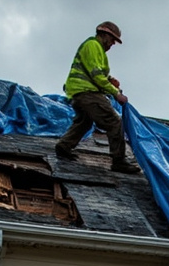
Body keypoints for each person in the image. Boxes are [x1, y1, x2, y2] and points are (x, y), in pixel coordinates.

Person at [53, 21, 140, 173]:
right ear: (104, 34)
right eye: (112, 40)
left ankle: (64, 146)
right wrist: (116, 93)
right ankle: (119, 161)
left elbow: (97, 72)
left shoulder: (97, 49)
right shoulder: (93, 46)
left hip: (78, 92)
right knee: (114, 121)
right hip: (86, 91)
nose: (112, 44)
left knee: (85, 121)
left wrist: (110, 80)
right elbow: (96, 75)